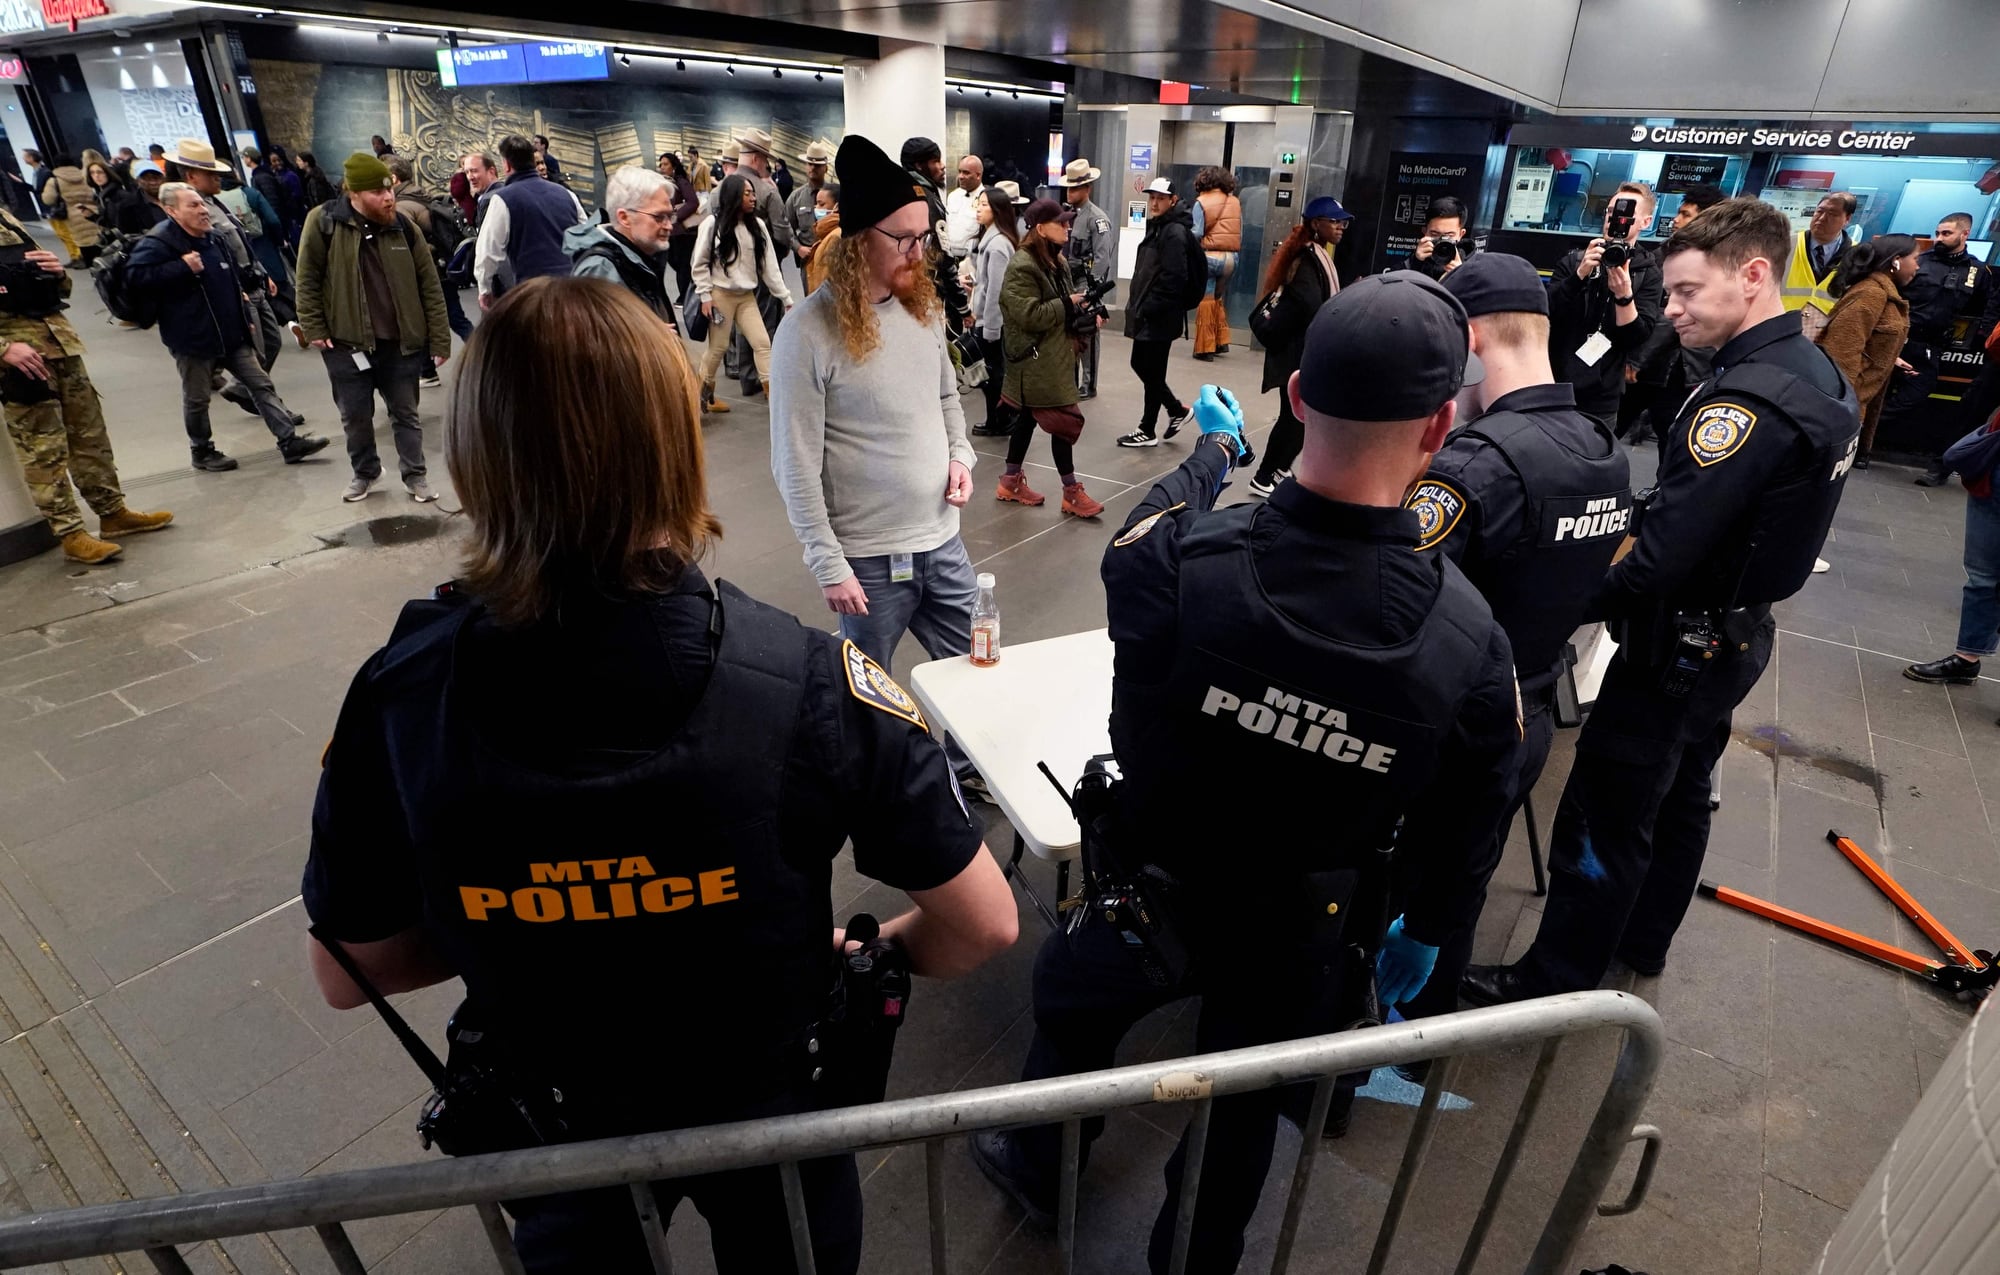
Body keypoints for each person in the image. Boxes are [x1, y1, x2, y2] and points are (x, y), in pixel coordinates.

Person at [305, 276, 1015, 1275]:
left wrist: (521, 919)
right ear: (672, 446)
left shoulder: (400, 693)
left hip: (555, 1122)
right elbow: (983, 923)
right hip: (774, 1109)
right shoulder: (808, 676)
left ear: (478, 456)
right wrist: (872, 948)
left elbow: (350, 968)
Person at [971, 273, 1521, 1272]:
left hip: (1150, 886)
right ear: (1441, 422)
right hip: (1298, 927)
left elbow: (1140, 535)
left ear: (1299, 393)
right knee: (1240, 1108)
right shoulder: (1468, 643)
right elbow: (1472, 813)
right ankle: (1194, 1252)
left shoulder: (1176, 561)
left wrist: (1214, 455)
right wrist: (1433, 925)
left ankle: (1035, 1162)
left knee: (1071, 1023)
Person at [1463, 198, 1861, 1007]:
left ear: (1754, 277)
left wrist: (1552, 596)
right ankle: (1643, 940)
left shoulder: (1741, 404)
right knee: (1681, 794)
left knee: (1605, 809)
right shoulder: (1815, 374)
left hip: (1678, 642)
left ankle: (1554, 979)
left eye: (1685, 291)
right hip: (1736, 633)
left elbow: (1652, 565)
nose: (1668, 308)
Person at [1395, 252, 1631, 1033]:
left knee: (1416, 886)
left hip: (1449, 724)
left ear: (1466, 341)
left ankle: (1380, 1035)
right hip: (1531, 701)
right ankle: (1423, 1023)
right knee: (1464, 872)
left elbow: (1397, 594)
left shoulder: (1477, 464)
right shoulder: (1603, 448)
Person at [770, 134, 978, 682]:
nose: (918, 252)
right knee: (868, 699)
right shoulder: (807, 332)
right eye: (904, 239)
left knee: (975, 675)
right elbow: (794, 463)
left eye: (924, 238)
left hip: (942, 539)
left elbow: (945, 397)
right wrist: (827, 563)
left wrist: (960, 456)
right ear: (860, 239)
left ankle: (964, 771)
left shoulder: (922, 308)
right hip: (869, 560)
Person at [0, 202, 171, 564]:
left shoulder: (6, 218)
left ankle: (112, 513)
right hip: (20, 359)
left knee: (89, 435)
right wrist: (3, 349)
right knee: (43, 449)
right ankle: (71, 533)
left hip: (59, 342)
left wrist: (53, 270)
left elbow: (52, 285)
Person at [127, 183, 330, 473]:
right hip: (193, 338)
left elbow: (230, 278)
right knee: (197, 399)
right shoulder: (158, 243)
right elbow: (136, 280)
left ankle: (289, 441)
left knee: (261, 385)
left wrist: (243, 315)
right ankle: (202, 450)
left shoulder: (214, 238)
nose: (202, 210)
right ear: (171, 210)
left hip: (232, 332)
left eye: (201, 204)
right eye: (193, 205)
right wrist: (181, 268)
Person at [295, 153, 452, 504]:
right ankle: (365, 472)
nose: (388, 199)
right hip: (345, 343)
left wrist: (439, 339)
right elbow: (307, 279)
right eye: (378, 193)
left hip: (400, 342)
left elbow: (430, 286)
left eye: (390, 191)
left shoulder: (404, 228)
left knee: (406, 415)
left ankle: (416, 475)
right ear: (354, 194)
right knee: (355, 416)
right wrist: (313, 325)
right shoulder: (323, 223)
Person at [170, 138, 296, 419]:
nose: (218, 178)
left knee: (272, 343)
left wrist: (262, 273)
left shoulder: (217, 203)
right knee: (255, 354)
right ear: (191, 176)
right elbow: (212, 257)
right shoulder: (193, 213)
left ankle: (243, 389)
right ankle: (275, 413)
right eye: (211, 174)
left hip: (253, 282)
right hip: (238, 291)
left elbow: (239, 243)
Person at [995, 197, 1104, 518]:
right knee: (1062, 423)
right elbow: (1028, 315)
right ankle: (1071, 491)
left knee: (1028, 418)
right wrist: (1069, 304)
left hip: (1051, 355)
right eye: (1062, 223)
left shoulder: (1054, 260)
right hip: (1036, 359)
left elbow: (1059, 307)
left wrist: (1085, 311)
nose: (1069, 227)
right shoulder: (1023, 266)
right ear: (1041, 229)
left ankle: (1009, 481)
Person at [1247, 196, 1350, 497]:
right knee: (1293, 418)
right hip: (1294, 354)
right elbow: (1307, 305)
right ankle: (1264, 475)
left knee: (1302, 417)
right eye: (1335, 221)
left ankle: (1279, 469)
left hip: (1301, 352)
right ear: (1317, 224)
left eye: (1343, 221)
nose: (1341, 227)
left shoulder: (1316, 255)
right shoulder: (1307, 259)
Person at [1618, 183, 1727, 446]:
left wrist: (1636, 358)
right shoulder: (1664, 253)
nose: (1676, 220)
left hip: (1687, 367)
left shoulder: (1715, 262)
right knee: (1615, 426)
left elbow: (1669, 316)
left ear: (1706, 218)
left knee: (1675, 439)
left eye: (1686, 214)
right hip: (1655, 365)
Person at [1547, 181, 1662, 426]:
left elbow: (1637, 338)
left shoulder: (1647, 272)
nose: (1615, 219)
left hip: (1602, 396)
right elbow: (1547, 312)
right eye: (1611, 212)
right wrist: (1579, 276)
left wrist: (1624, 296)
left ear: (1646, 222)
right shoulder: (1575, 262)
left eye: (1626, 214)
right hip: (1555, 383)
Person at [1899, 214, 1994, 487]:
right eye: (1937, 233)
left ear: (1965, 235)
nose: (1939, 239)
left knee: (1917, 395)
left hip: (1935, 345)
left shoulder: (1977, 272)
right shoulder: (1921, 263)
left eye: (1946, 234)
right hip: (1904, 338)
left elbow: (1982, 306)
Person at [691, 173, 791, 413]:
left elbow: (770, 266)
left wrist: (786, 298)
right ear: (733, 196)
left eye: (753, 193)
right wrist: (705, 295)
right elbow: (699, 262)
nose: (753, 198)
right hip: (720, 296)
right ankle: (700, 396)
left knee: (762, 343)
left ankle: (773, 396)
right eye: (747, 193)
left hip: (746, 297)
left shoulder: (757, 226)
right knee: (718, 347)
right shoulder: (712, 225)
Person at [1817, 234, 1917, 469]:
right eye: (1915, 258)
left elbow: (1870, 340)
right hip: (1843, 409)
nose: (1918, 266)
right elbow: (1840, 351)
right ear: (1896, 261)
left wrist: (1890, 357)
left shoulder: (1884, 293)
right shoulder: (1872, 293)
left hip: (1855, 405)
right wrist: (1844, 410)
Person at [1118, 177, 1196, 448]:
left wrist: (1151, 306)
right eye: (1152, 197)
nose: (1154, 202)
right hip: (1155, 313)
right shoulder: (1161, 227)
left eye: (1160, 198)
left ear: (1172, 200)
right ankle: (1155, 423)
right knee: (1150, 369)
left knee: (1143, 365)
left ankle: (1168, 415)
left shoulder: (1172, 231)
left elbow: (1175, 277)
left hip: (1159, 315)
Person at [475, 134, 586, 310]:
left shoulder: (502, 199)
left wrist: (485, 289)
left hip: (534, 295)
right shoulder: (567, 194)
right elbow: (586, 236)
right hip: (573, 288)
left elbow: (488, 252)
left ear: (507, 165)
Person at [566, 165, 680, 330]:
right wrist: (651, 336)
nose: (669, 226)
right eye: (658, 217)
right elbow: (590, 341)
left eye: (670, 216)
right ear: (625, 217)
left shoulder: (641, 256)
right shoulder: (599, 269)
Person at [387, 154, 471, 356]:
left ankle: (428, 371)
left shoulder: (402, 207)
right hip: (442, 267)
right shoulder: (421, 196)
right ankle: (483, 350)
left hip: (427, 272)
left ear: (393, 179)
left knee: (422, 320)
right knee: (455, 317)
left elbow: (404, 245)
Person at [968, 183, 1023, 439]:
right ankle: (999, 419)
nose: (979, 209)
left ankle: (1000, 420)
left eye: (984, 205)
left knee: (992, 374)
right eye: (978, 204)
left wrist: (989, 327)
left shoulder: (998, 244)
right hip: (988, 320)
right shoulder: (991, 239)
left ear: (998, 210)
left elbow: (996, 292)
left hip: (993, 323)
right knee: (991, 373)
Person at [900, 137, 971, 332]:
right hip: (927, 291)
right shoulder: (925, 198)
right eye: (935, 161)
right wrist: (963, 306)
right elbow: (942, 256)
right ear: (919, 166)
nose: (942, 166)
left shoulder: (902, 193)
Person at [1056, 157, 1113, 399]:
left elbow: (1102, 259)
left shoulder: (1096, 219)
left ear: (1087, 188)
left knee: (1087, 330)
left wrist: (1094, 293)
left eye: (1076, 187)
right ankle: (1071, 380)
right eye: (1069, 187)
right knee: (1069, 331)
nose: (1070, 191)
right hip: (1066, 281)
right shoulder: (1065, 215)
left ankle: (1088, 385)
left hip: (1085, 281)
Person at [1781, 191, 1856, 340]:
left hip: (1822, 336)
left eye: (1832, 214)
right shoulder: (1786, 244)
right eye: (1819, 211)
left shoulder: (1857, 255)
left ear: (1847, 218)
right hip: (1780, 326)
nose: (1821, 218)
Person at [1191, 166, 1241, 360]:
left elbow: (1197, 232)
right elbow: (1239, 232)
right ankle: (1221, 342)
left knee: (1206, 301)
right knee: (1217, 300)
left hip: (1210, 257)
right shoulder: (1235, 202)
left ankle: (1205, 348)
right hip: (1231, 258)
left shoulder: (1201, 202)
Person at [659, 152, 700, 306]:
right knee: (676, 263)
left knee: (682, 264)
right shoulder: (665, 183)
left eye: (666, 164)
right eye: (661, 164)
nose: (662, 167)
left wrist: (676, 217)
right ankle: (690, 291)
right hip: (674, 232)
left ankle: (684, 296)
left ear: (674, 166)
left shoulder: (680, 181)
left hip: (684, 233)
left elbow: (692, 202)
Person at [42, 153, 96, 267]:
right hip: (91, 211)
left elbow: (48, 199)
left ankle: (84, 261)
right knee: (97, 242)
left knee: (81, 243)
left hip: (71, 216)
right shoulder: (85, 175)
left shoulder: (54, 181)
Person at [1403, 194, 1473, 282]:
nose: (1442, 240)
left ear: (1461, 234)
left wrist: (1460, 275)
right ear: (1425, 232)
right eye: (1435, 234)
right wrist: (1416, 262)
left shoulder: (1472, 265)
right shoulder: (1414, 260)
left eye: (1449, 235)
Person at [786, 140, 834, 262]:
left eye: (817, 165)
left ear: (826, 168)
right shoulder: (796, 197)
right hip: (808, 259)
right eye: (810, 164)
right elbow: (786, 227)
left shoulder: (836, 195)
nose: (813, 168)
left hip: (832, 257)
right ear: (805, 166)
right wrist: (798, 248)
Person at [943, 153, 983, 260]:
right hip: (949, 256)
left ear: (978, 175)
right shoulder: (953, 196)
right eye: (959, 172)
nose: (960, 176)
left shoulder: (985, 199)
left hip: (972, 258)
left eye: (966, 173)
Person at [804, 183, 841, 295]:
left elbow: (825, 282)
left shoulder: (835, 237)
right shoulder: (827, 232)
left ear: (837, 207)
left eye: (821, 204)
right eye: (816, 204)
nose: (816, 208)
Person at [113, 163, 169, 233]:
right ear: (137, 181)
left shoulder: (175, 198)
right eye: (146, 178)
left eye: (156, 177)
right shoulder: (127, 207)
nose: (153, 182)